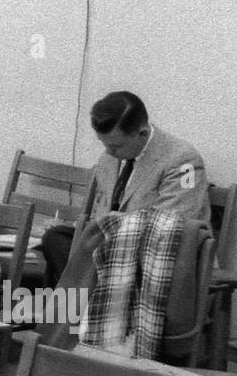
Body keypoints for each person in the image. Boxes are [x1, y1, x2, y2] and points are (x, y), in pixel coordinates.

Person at [39, 91, 210, 286]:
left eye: (115, 146)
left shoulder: (183, 161)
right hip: (112, 247)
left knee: (81, 265)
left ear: (142, 133)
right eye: (104, 144)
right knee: (57, 238)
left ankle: (82, 307)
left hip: (154, 252)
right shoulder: (109, 158)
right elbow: (100, 212)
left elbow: (175, 222)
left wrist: (111, 233)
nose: (108, 152)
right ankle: (87, 305)